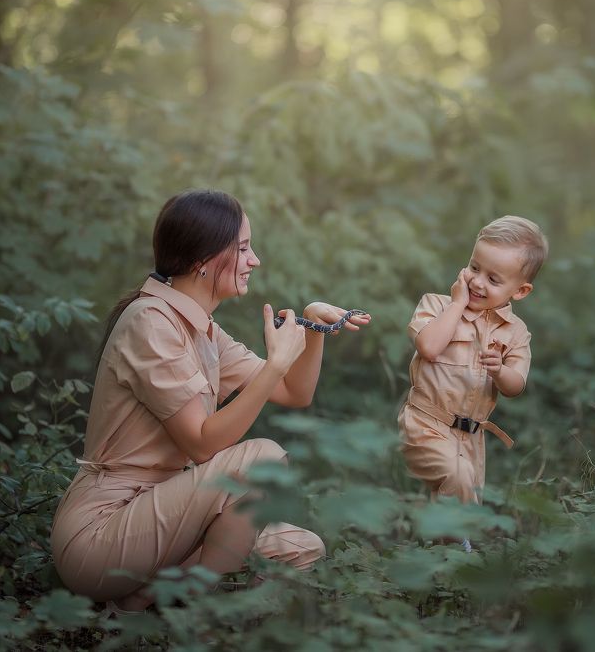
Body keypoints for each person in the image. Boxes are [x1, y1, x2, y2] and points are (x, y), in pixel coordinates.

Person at [50, 189, 371, 612]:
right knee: (264, 459)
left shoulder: (203, 331)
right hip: (104, 533)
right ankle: (162, 609)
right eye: (242, 248)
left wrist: (310, 328)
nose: (254, 260)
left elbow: (295, 392)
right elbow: (201, 444)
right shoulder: (150, 322)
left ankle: (213, 621)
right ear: (202, 259)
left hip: (169, 517)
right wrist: (275, 364)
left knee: (302, 547)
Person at [398, 216, 547, 546]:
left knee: (462, 502)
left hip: (471, 438)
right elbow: (429, 347)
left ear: (520, 291)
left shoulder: (516, 333)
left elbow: (515, 386)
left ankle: (437, 565)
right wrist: (457, 304)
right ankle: (455, 556)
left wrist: (500, 371)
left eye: (493, 279)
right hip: (425, 422)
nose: (478, 282)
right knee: (458, 479)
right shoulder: (437, 305)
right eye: (474, 268)